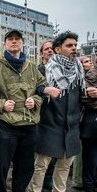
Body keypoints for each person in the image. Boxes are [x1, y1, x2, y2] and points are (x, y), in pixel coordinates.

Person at [0, 30, 59, 192]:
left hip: (29, 126)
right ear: (5, 44)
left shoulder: (31, 66)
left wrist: (35, 101)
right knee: (1, 168)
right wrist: (0, 104)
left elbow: (41, 90)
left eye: (17, 39)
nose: (14, 41)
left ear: (22, 43)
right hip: (5, 125)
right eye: (10, 39)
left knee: (25, 169)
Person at [29, 31, 84, 192]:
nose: (74, 48)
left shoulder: (79, 69)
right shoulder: (46, 69)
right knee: (41, 166)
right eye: (69, 45)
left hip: (72, 127)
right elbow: (33, 88)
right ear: (58, 49)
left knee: (64, 167)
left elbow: (81, 96)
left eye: (75, 45)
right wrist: (45, 89)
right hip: (49, 125)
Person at [36, 39, 57, 191]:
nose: (49, 51)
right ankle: (37, 183)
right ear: (41, 53)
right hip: (41, 117)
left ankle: (48, 181)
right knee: (40, 154)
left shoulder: (60, 71)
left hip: (57, 117)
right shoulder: (37, 70)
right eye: (46, 49)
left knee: (54, 152)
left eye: (52, 49)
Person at [71, 56, 92, 190]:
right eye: (86, 61)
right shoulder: (78, 78)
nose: (90, 63)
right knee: (79, 152)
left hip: (86, 119)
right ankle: (77, 180)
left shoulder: (90, 77)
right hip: (78, 119)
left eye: (90, 61)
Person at [80, 56, 97, 192]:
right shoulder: (90, 75)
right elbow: (84, 96)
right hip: (92, 121)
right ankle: (89, 186)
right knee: (90, 157)